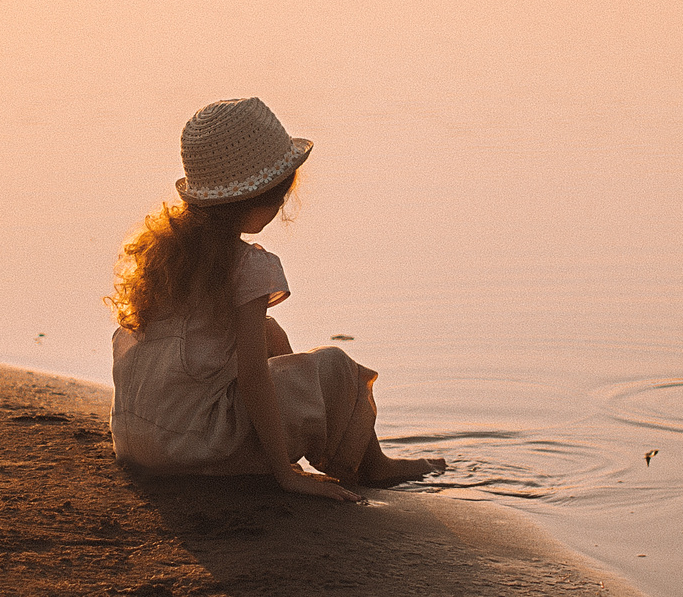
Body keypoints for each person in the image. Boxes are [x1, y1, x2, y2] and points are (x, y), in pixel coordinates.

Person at [108, 97, 445, 503]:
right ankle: (374, 466)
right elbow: (253, 376)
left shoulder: (166, 254)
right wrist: (285, 474)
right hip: (196, 447)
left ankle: (316, 440)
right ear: (267, 195)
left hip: (138, 438)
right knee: (336, 368)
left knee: (268, 331)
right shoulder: (248, 266)